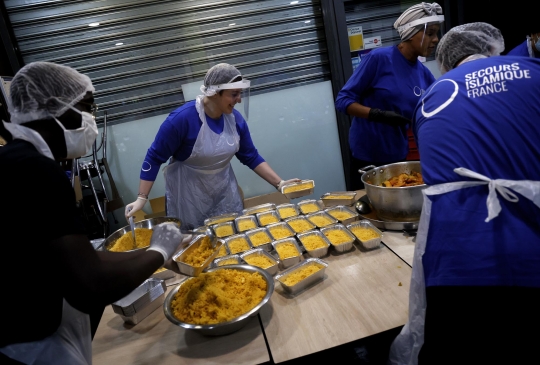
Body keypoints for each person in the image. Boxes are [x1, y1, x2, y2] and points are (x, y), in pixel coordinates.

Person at [0, 62, 188, 364]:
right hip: (31, 343)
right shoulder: (34, 170)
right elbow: (90, 284)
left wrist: (162, 251)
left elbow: (82, 256)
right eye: (86, 107)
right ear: (53, 108)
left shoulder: (16, 160)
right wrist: (157, 252)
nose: (91, 119)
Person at [389, 23, 540, 365]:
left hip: (455, 260)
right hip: (531, 250)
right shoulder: (532, 71)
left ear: (446, 63)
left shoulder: (432, 96)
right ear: (493, 50)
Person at [125, 63, 299, 229]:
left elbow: (250, 155)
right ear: (215, 93)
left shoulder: (235, 121)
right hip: (189, 197)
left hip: (224, 193)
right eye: (234, 94)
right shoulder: (182, 120)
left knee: (231, 237)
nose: (239, 99)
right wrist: (142, 198)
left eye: (240, 94)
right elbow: (155, 157)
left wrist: (280, 184)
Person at [335, 2, 444, 190]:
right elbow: (343, 100)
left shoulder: (424, 74)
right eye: (430, 33)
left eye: (436, 34)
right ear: (410, 34)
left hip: (398, 155)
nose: (435, 40)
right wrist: (378, 114)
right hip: (367, 156)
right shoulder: (379, 59)